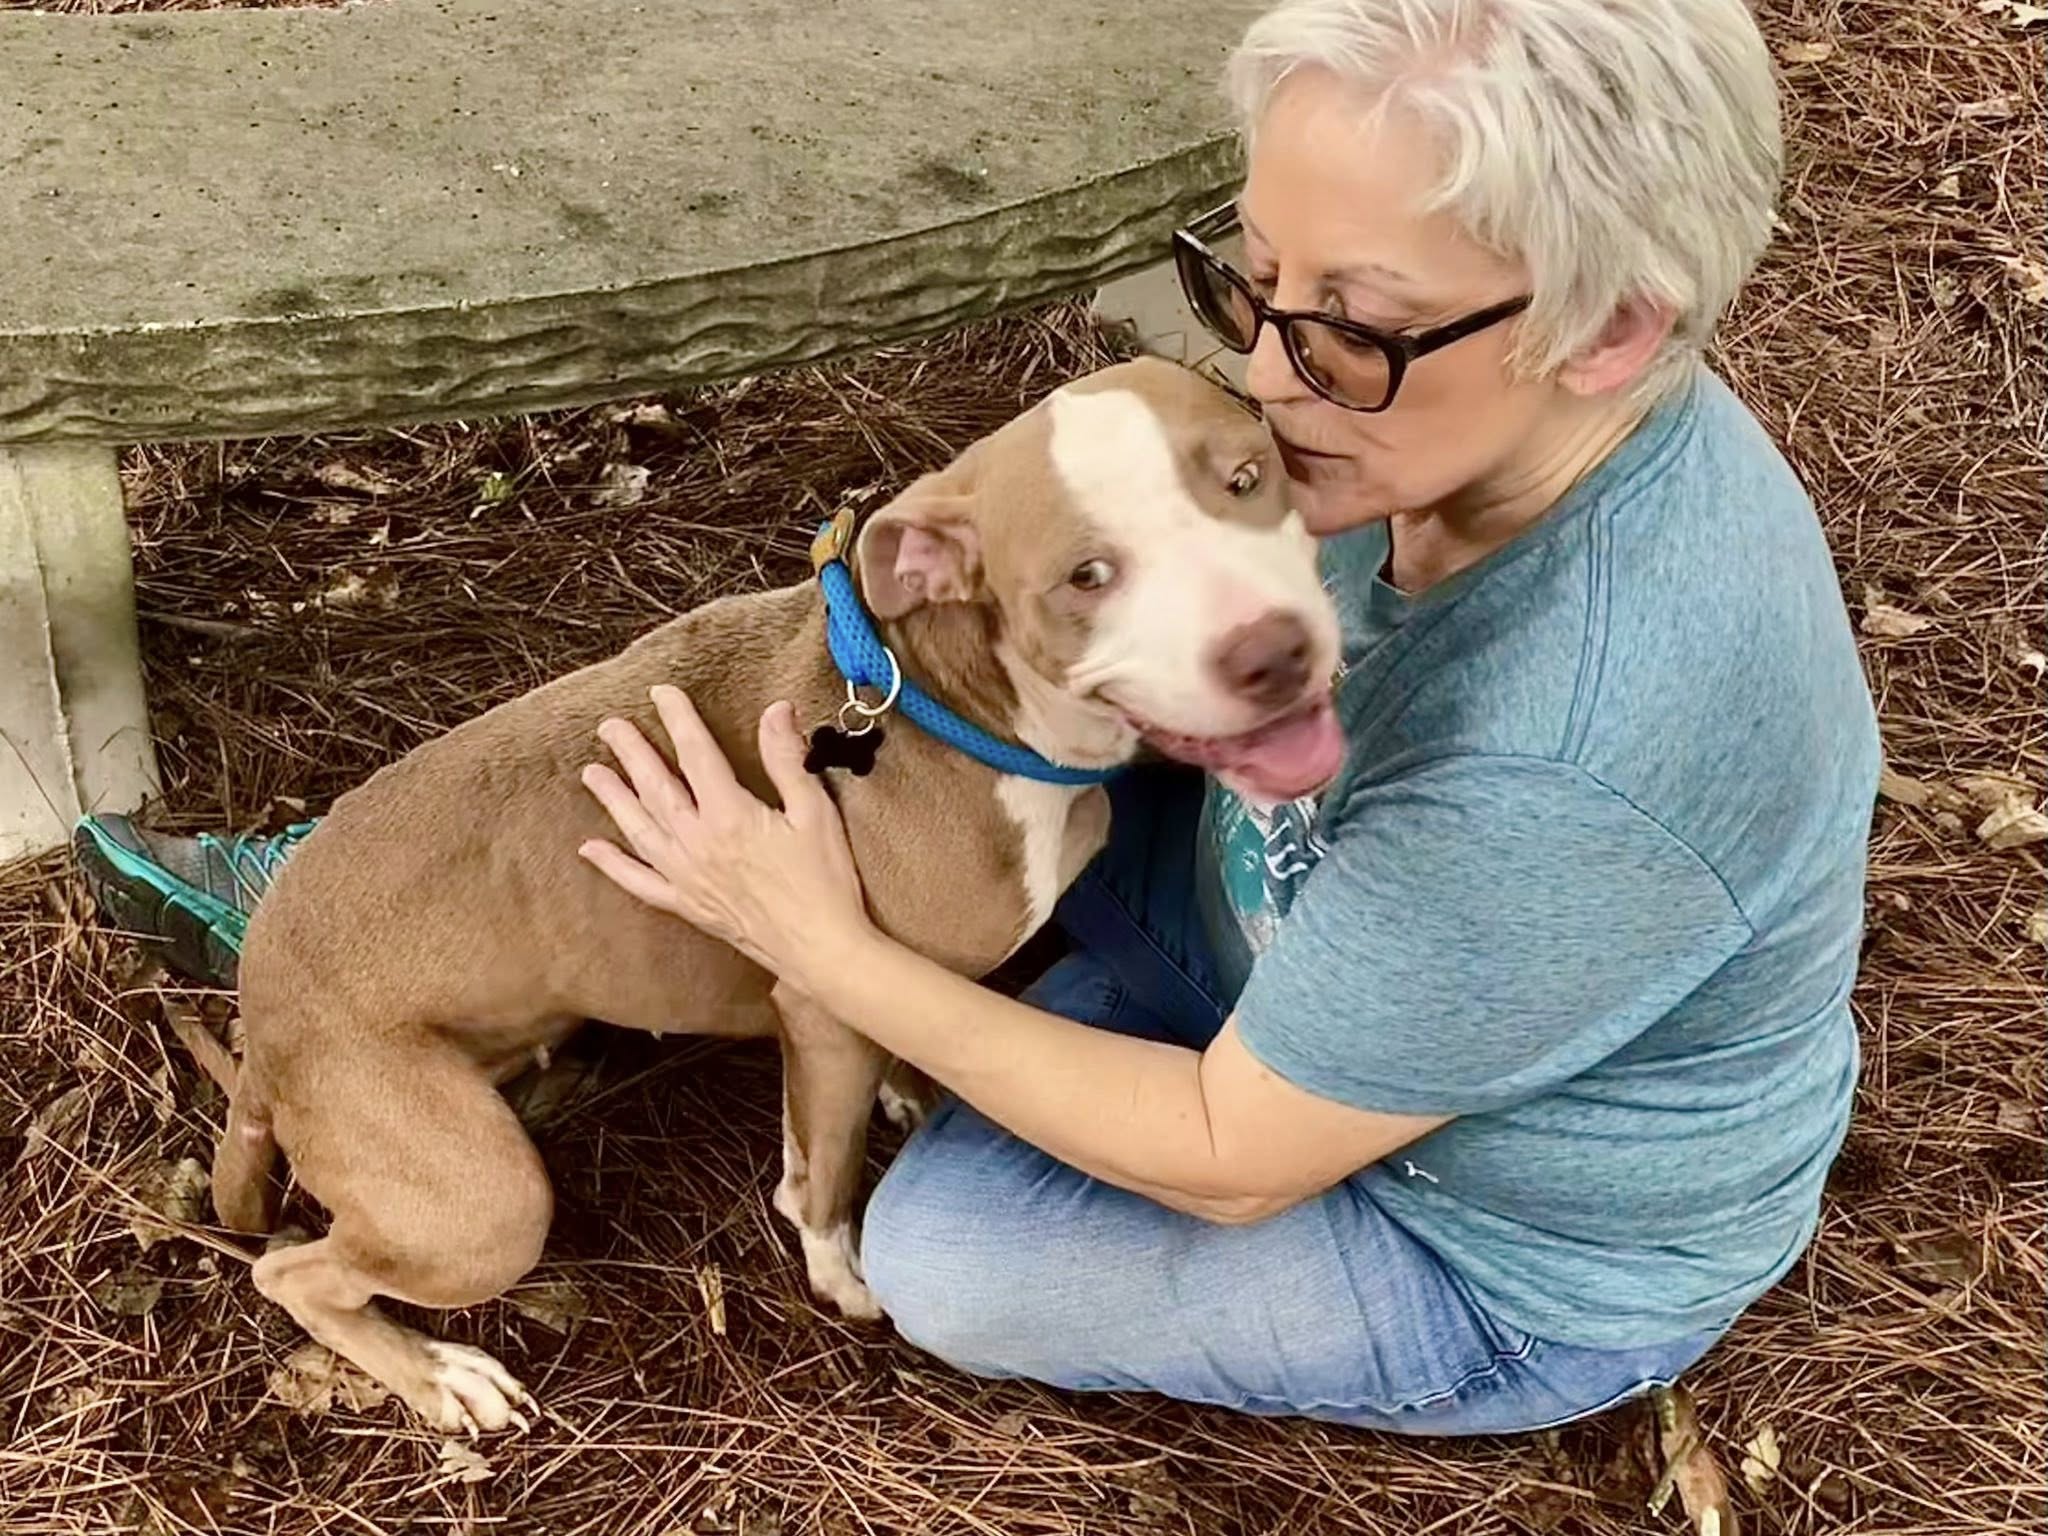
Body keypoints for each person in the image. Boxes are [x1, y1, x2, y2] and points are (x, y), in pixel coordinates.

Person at [77, 0, 1877, 1435]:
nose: (1264, 372)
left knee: (946, 1252)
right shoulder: (1439, 429)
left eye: (1353, 327)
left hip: (1483, 1237)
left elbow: (1232, 1164)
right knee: (991, 827)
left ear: (1611, 326)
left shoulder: (1579, 749)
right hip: (1310, 941)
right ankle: (406, 967)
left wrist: (816, 942)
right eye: (1254, 283)